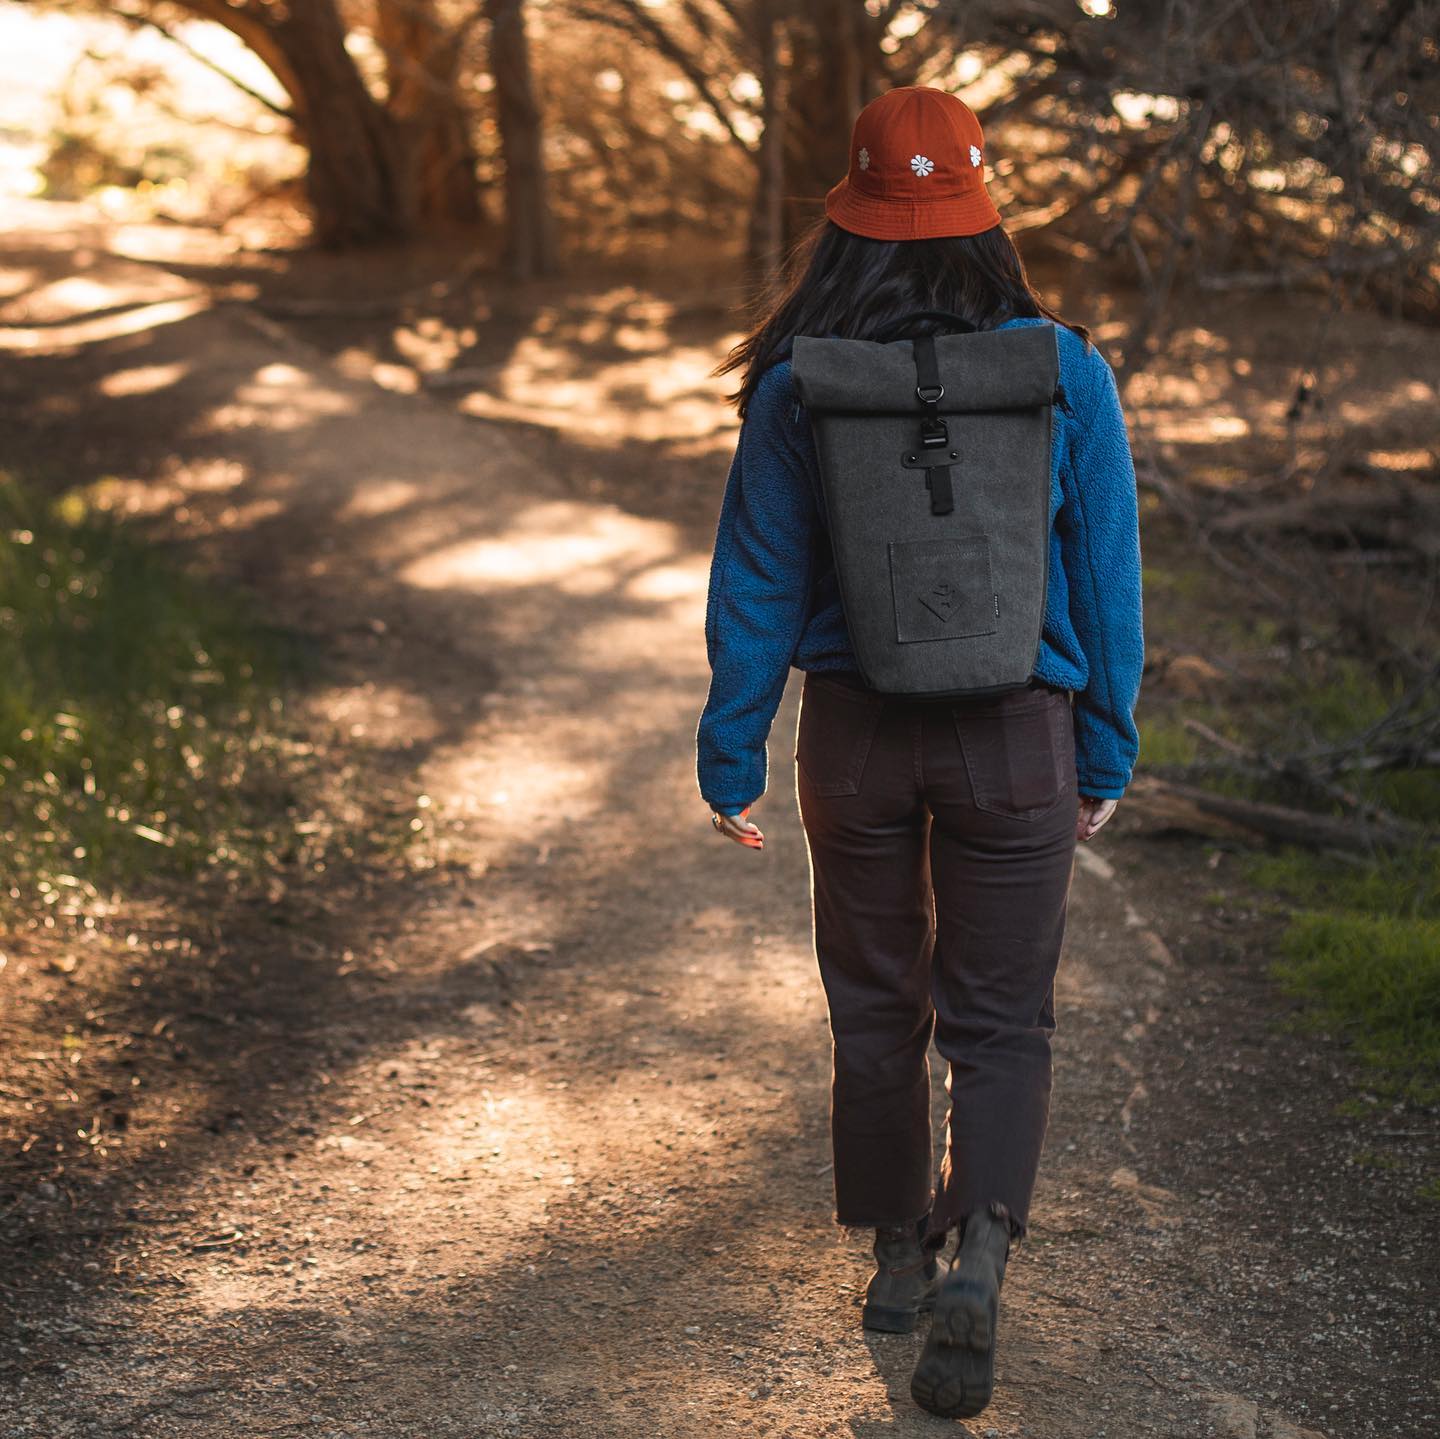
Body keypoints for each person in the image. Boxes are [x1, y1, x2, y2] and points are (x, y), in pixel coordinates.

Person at [694, 86, 1143, 1420]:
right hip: (1018, 735)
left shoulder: (796, 384)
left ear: (853, 214)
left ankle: (898, 1259)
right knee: (1003, 1019)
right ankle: (984, 1251)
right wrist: (1105, 745)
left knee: (876, 997)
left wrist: (733, 753)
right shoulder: (1064, 368)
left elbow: (756, 581)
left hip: (859, 738)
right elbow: (1106, 582)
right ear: (982, 209)